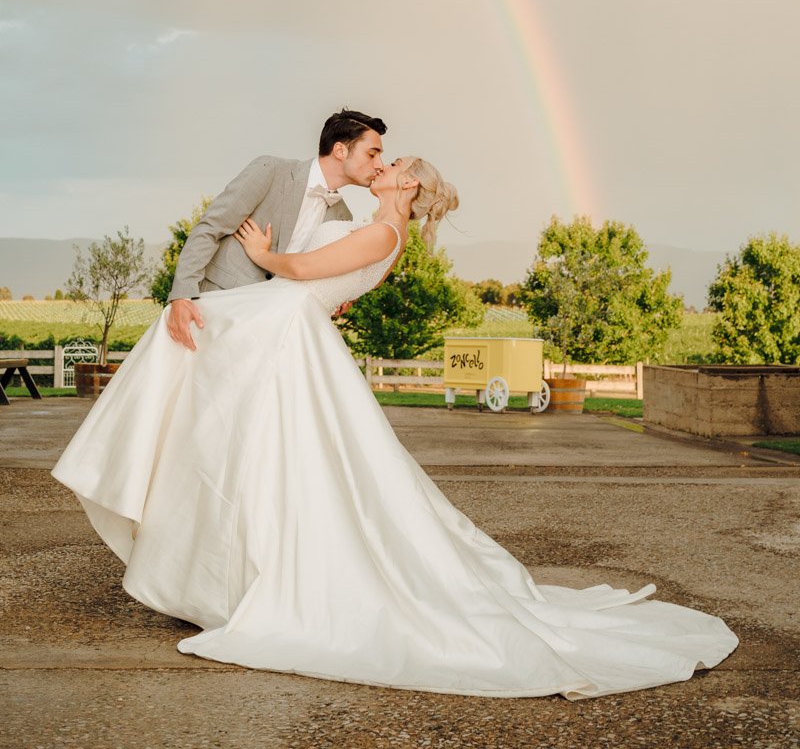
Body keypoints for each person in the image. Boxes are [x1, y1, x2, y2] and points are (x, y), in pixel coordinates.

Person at [51, 156, 738, 700]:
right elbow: (330, 284)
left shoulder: (383, 230)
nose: (382, 165)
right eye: (378, 155)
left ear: (408, 186)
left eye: (393, 162)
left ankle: (213, 558)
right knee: (247, 452)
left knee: (261, 451)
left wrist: (264, 253)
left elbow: (305, 270)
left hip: (282, 327)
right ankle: (208, 563)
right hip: (281, 326)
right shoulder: (372, 224)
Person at [166, 108, 386, 350]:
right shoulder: (270, 170)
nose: (380, 165)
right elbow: (211, 227)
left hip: (270, 330)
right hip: (213, 310)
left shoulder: (343, 218)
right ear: (340, 150)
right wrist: (182, 296)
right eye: (372, 154)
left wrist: (338, 296)